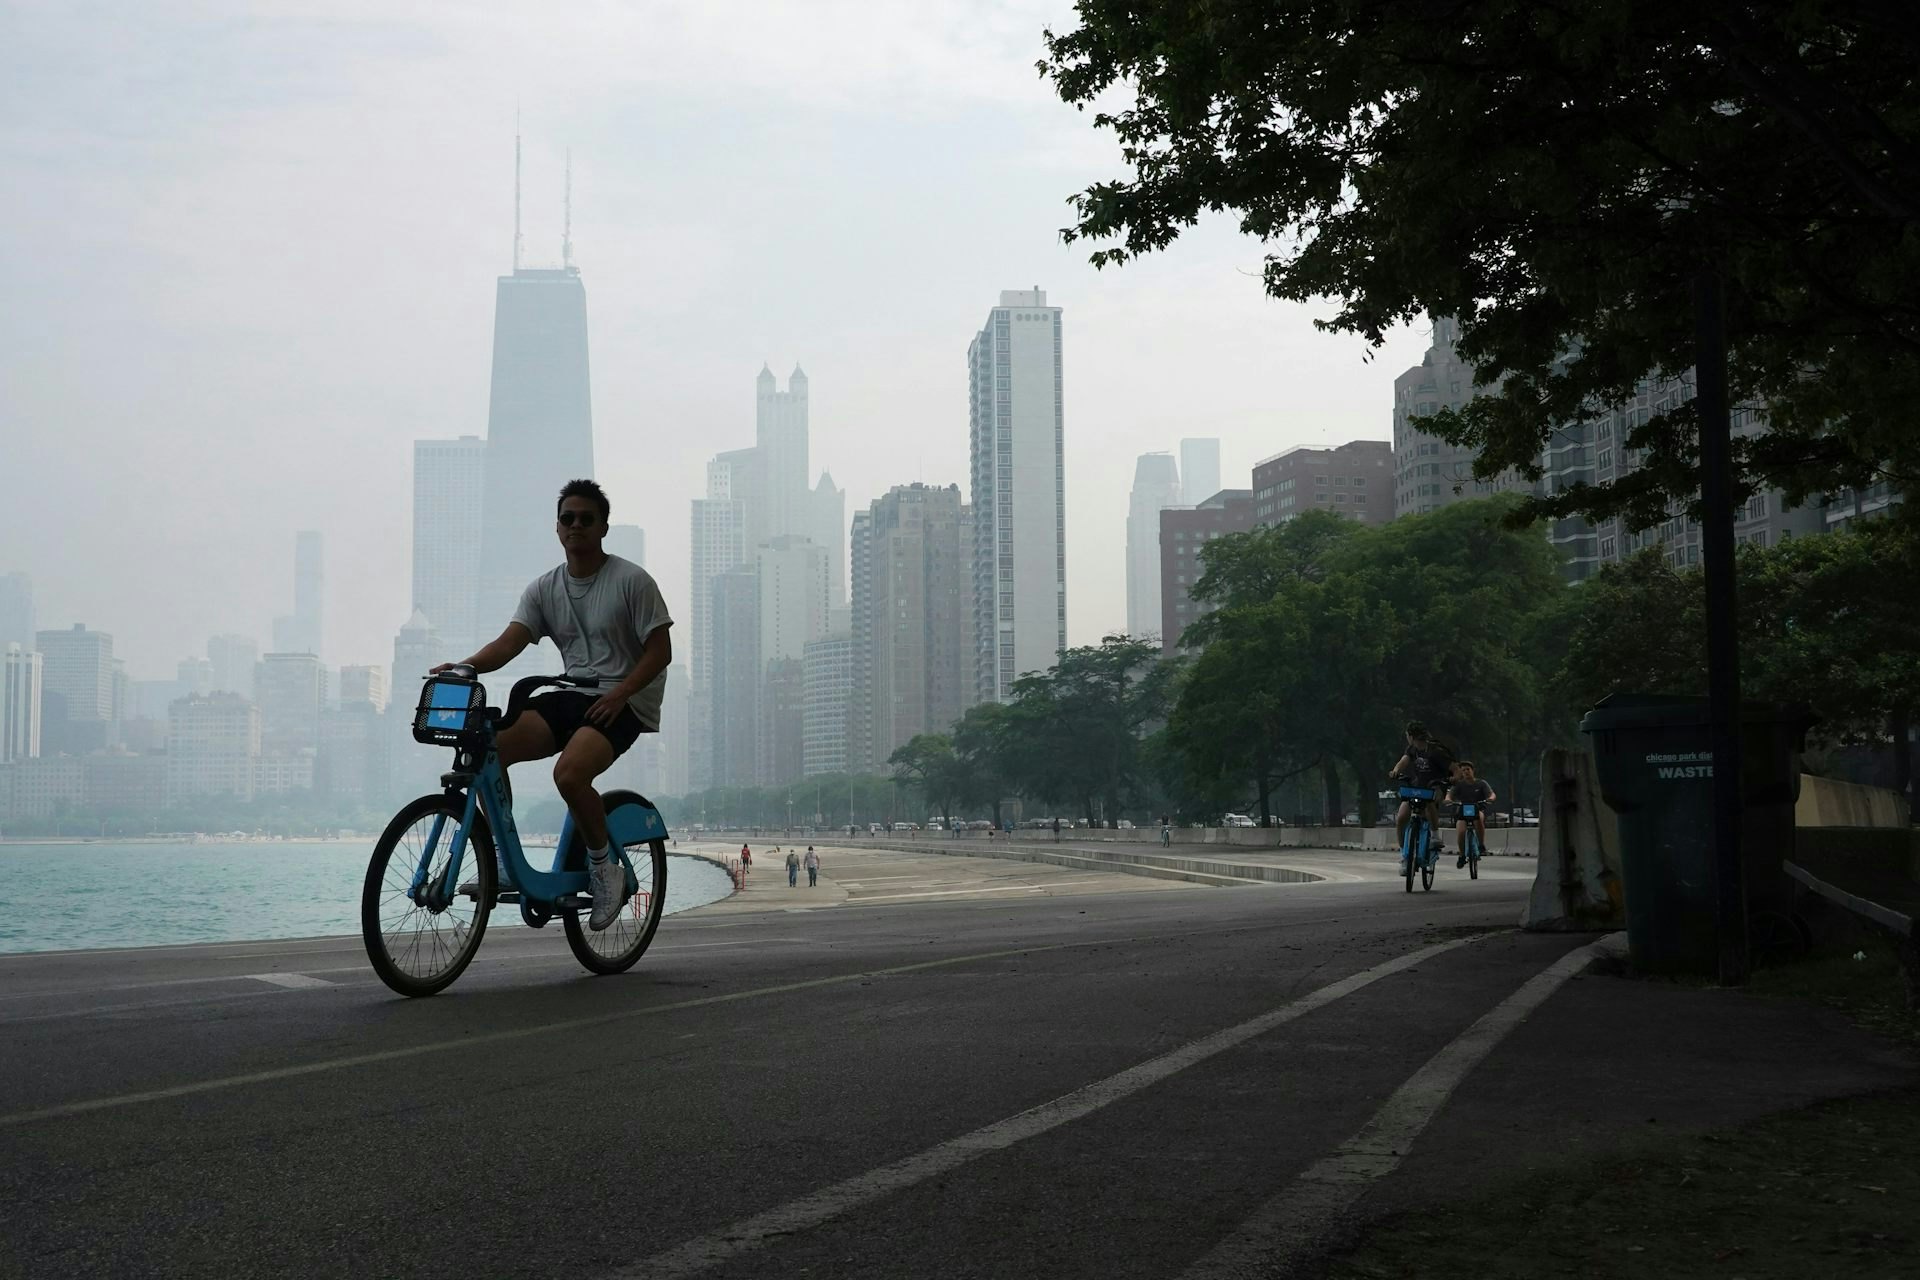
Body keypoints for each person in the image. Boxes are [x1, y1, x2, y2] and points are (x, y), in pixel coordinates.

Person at [434, 479, 673, 931]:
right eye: (569, 519)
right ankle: (504, 862)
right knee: (490, 748)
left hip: (625, 701)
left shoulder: (632, 581)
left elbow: (660, 651)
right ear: (558, 529)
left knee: (569, 773)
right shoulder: (545, 588)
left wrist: (620, 693)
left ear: (604, 527)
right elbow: (510, 642)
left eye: (587, 518)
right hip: (571, 692)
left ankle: (606, 871)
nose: (577, 525)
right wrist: (464, 667)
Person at [1387, 721, 1456, 872]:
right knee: (1401, 818)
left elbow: (1454, 768)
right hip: (1417, 787)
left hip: (1435, 787)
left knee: (1430, 801)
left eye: (1407, 735)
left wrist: (1454, 778)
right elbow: (1403, 761)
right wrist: (1395, 771)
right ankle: (1405, 856)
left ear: (1411, 736)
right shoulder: (1412, 749)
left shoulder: (1436, 751)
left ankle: (1435, 836)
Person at [1448, 761, 1497, 868]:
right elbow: (1449, 795)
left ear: (1472, 771)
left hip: (1477, 809)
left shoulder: (1481, 783)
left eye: (1468, 769)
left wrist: (1490, 799)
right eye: (1463, 770)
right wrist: (1448, 800)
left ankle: (1481, 845)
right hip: (1462, 811)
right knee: (1461, 832)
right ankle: (1461, 855)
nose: (1466, 772)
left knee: (1478, 818)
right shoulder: (1458, 785)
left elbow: (1491, 794)